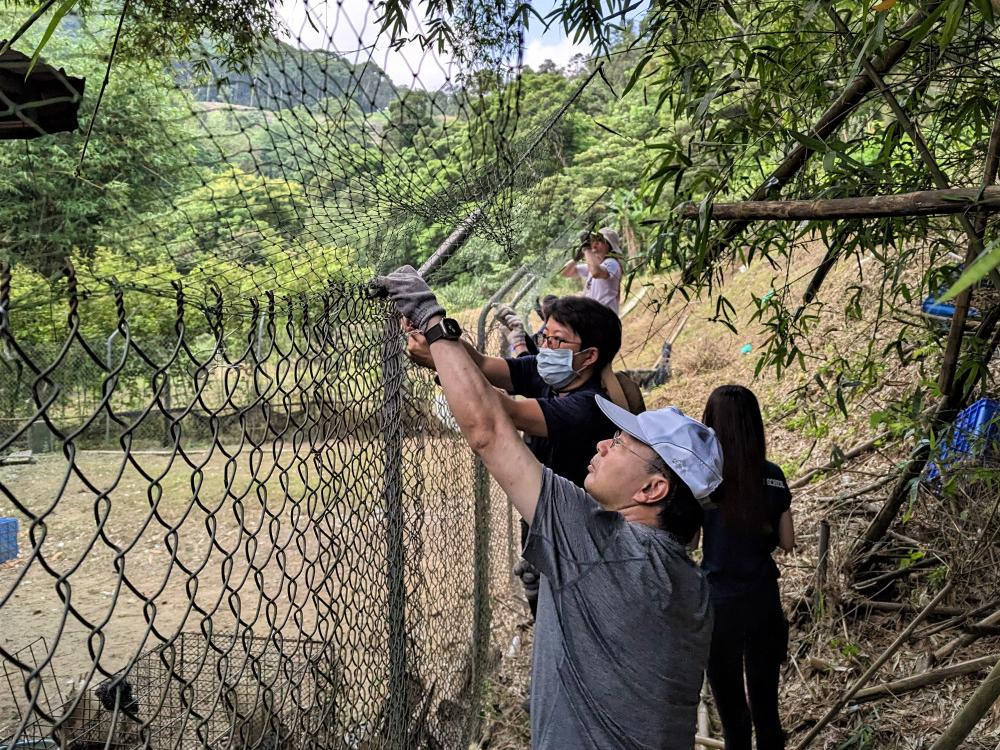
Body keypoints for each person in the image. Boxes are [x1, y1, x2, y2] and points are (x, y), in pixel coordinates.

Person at [374, 265, 723, 749]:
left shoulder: (601, 545)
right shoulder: (689, 581)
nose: (603, 447)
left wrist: (431, 319)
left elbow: (490, 429)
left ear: (652, 490)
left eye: (621, 444)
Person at [700, 385, 795, 750]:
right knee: (766, 708)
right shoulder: (772, 474)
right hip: (762, 600)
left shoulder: (705, 479)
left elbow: (691, 542)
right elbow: (787, 542)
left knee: (733, 717)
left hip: (719, 603)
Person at [561, 227, 623, 314]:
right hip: (593, 316)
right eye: (594, 240)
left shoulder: (612, 263)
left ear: (609, 246)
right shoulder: (594, 266)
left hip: (605, 317)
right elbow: (565, 273)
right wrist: (576, 258)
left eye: (600, 241)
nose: (594, 244)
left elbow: (596, 272)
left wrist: (586, 249)